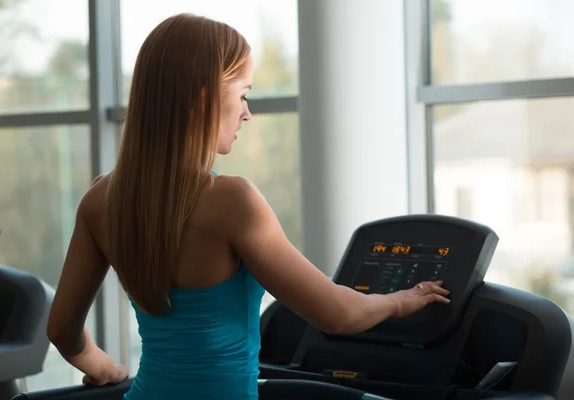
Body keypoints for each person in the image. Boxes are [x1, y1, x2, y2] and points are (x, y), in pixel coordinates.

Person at [46, 13, 450, 400]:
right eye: (242, 95)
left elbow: (63, 330)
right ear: (205, 97)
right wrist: (401, 300)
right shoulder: (233, 202)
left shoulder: (99, 200)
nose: (247, 113)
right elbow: (339, 314)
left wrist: (103, 367)